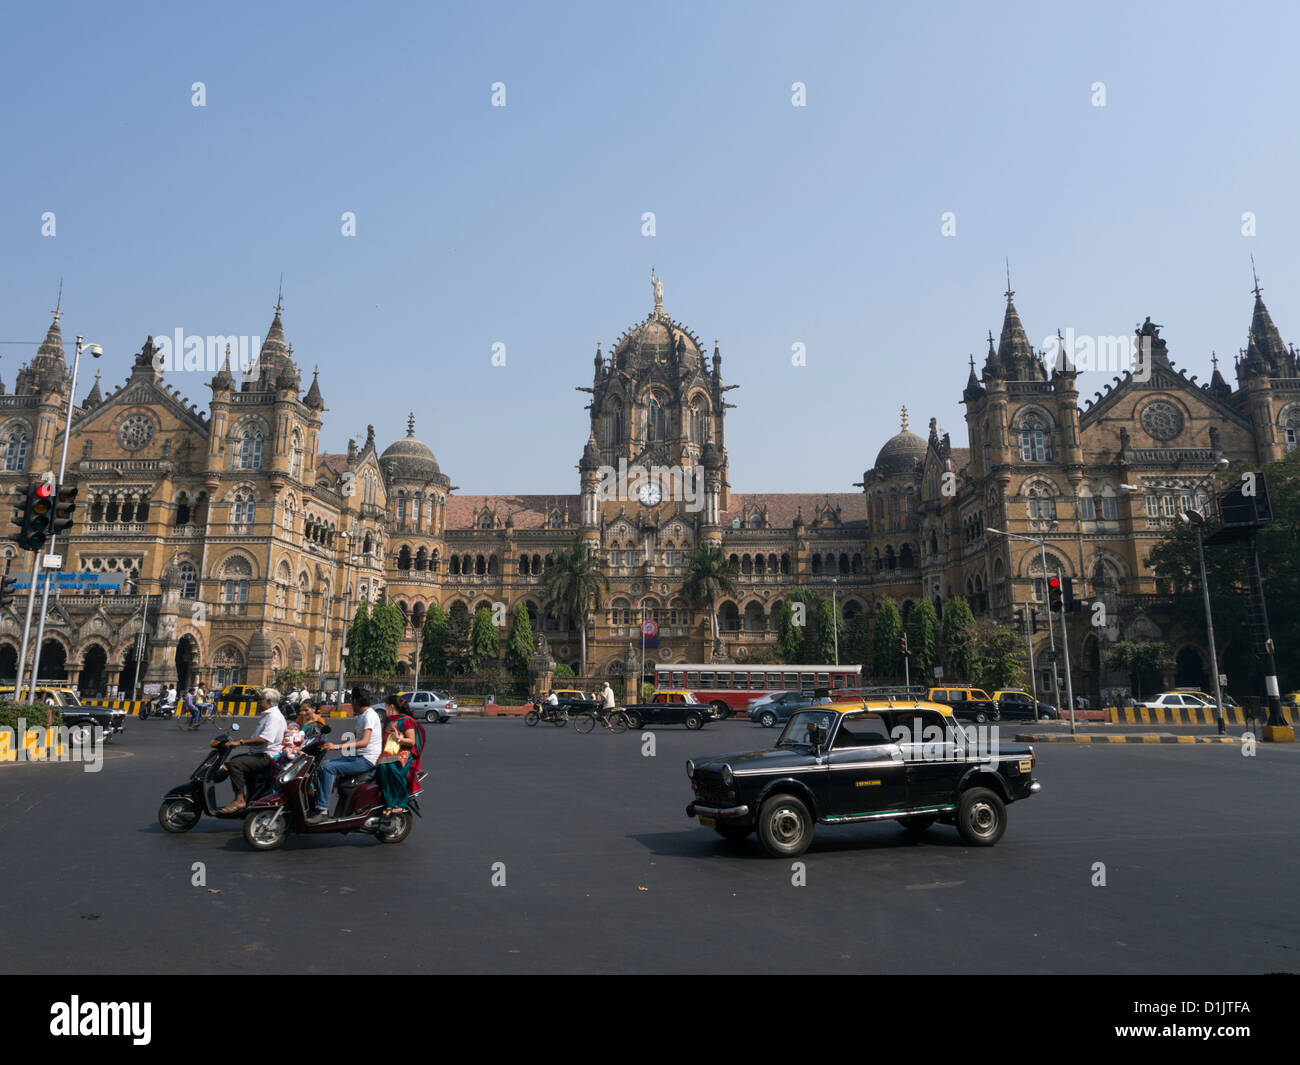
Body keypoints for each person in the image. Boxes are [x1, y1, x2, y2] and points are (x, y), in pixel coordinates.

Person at [309, 686, 382, 821]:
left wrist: (335, 746)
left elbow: (364, 742)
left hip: (366, 760)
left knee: (327, 767)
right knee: (321, 765)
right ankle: (317, 804)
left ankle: (322, 810)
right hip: (357, 756)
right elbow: (354, 738)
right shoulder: (362, 716)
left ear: (354, 701)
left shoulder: (369, 716)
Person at [218, 688, 287, 813]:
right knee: (235, 761)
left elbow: (264, 739)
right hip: (259, 753)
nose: (258, 703)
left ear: (269, 701)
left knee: (235, 764)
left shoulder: (273, 717)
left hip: (267, 756)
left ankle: (239, 800)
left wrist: (240, 742)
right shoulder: (269, 715)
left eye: (260, 700)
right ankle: (249, 799)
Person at [375, 694, 421, 815]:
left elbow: (412, 742)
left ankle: (401, 802)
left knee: (393, 768)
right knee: (382, 768)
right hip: (389, 751)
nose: (384, 709)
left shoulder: (406, 721)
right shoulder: (388, 721)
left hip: (404, 752)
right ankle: (389, 802)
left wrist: (399, 738)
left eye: (385, 706)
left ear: (391, 707)